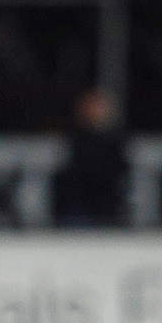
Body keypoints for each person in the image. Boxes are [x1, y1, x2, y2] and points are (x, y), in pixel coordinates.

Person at [52, 87, 129, 227]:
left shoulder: (115, 141)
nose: (94, 111)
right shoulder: (72, 139)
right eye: (89, 106)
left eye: (98, 107)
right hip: (77, 209)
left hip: (107, 210)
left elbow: (119, 174)